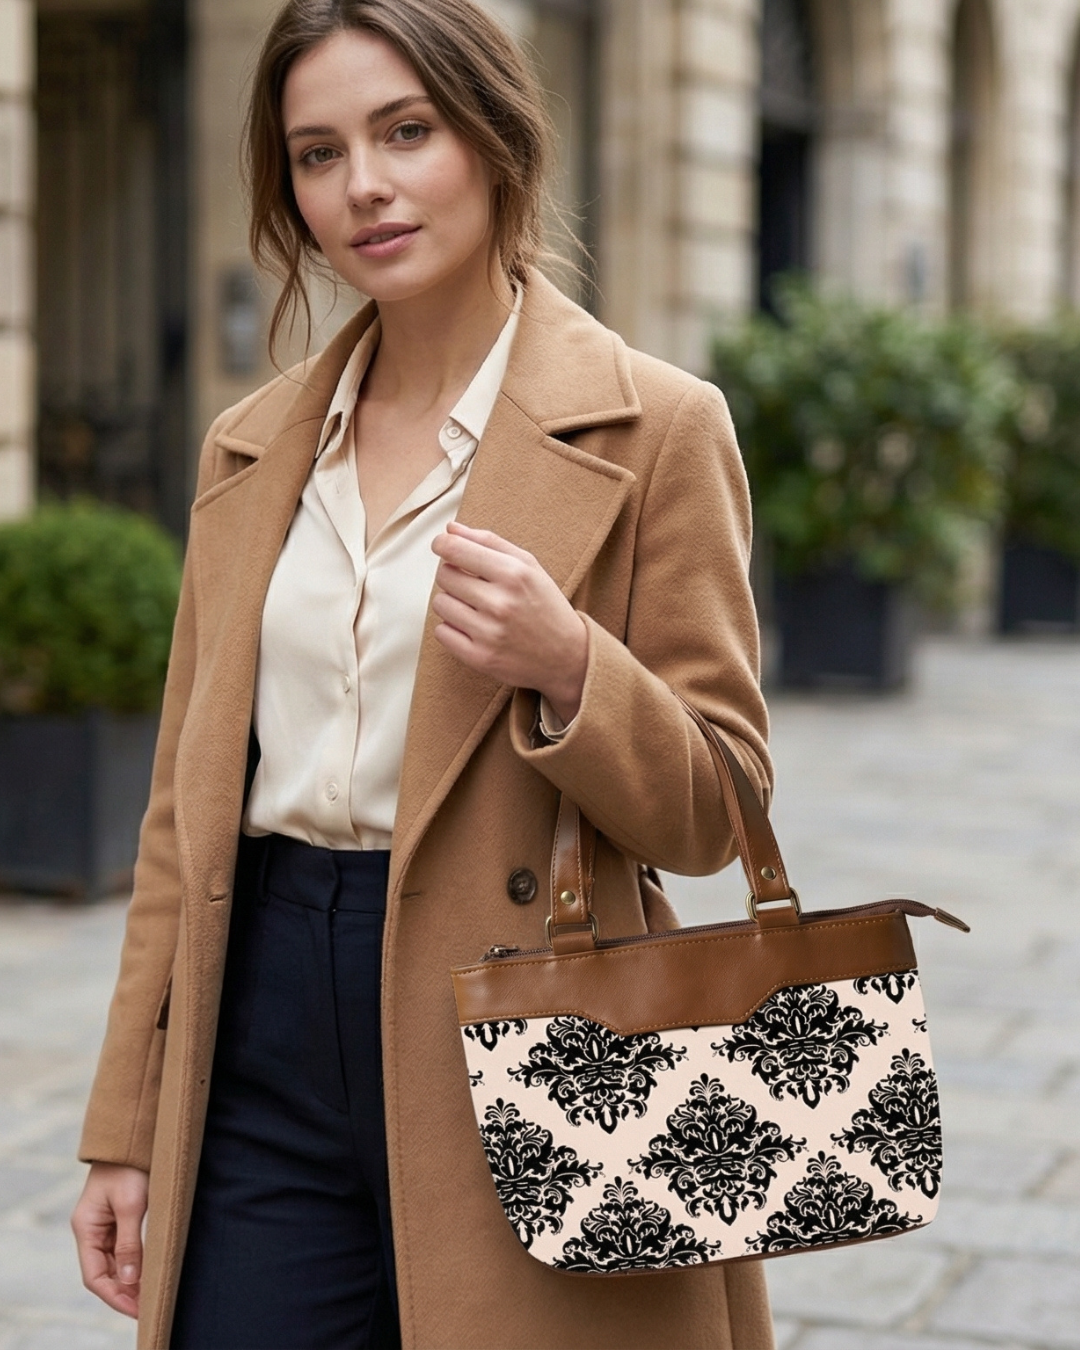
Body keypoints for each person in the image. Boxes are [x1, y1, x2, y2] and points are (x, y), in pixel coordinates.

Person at [71, 1, 776, 1345]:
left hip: (543, 1022)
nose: (364, 186)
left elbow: (720, 812)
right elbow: (178, 820)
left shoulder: (657, 428)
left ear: (497, 139)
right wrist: (126, 1122)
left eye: (406, 132)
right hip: (262, 1018)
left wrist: (572, 666)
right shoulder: (249, 448)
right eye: (318, 153)